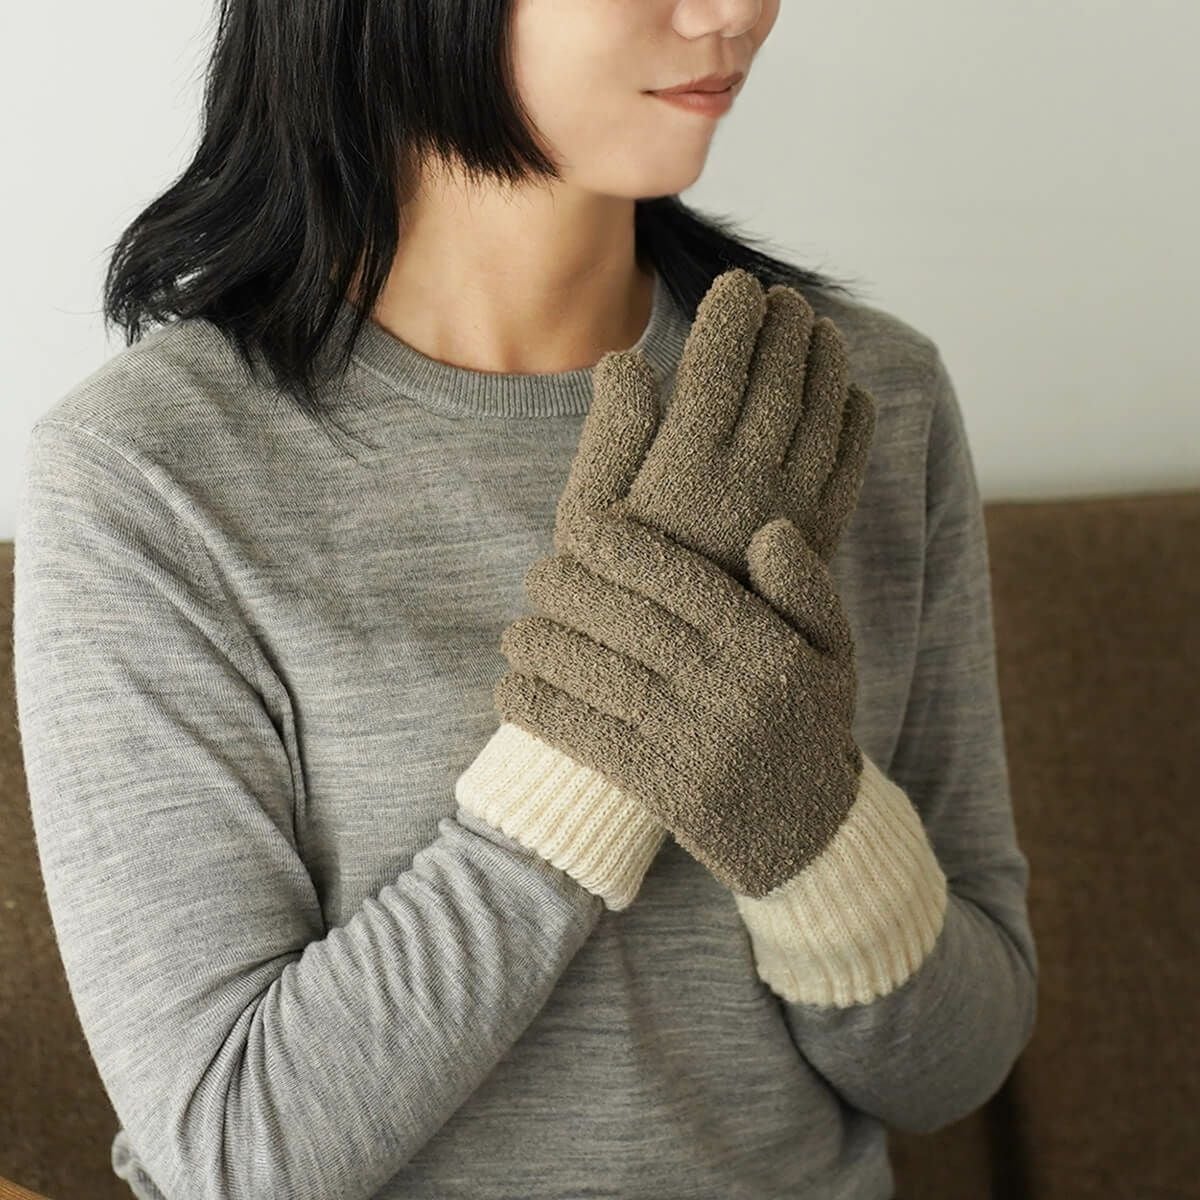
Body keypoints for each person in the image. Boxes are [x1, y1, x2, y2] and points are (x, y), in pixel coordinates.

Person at [11, 2, 1038, 1198]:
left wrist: (808, 821)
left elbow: (953, 1068)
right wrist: (609, 729)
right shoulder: (151, 474)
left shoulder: (848, 400)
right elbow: (237, 1152)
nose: (733, 11)